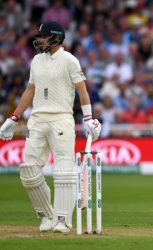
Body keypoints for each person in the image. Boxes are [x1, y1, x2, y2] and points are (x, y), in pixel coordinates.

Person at [0, 21, 101, 233]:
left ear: (55, 37)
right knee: (28, 171)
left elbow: (82, 90)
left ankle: (63, 220)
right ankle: (47, 216)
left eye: (43, 36)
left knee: (63, 170)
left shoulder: (69, 60)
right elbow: (30, 90)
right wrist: (14, 117)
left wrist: (88, 117)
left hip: (61, 119)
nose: (39, 40)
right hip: (36, 120)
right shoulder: (36, 60)